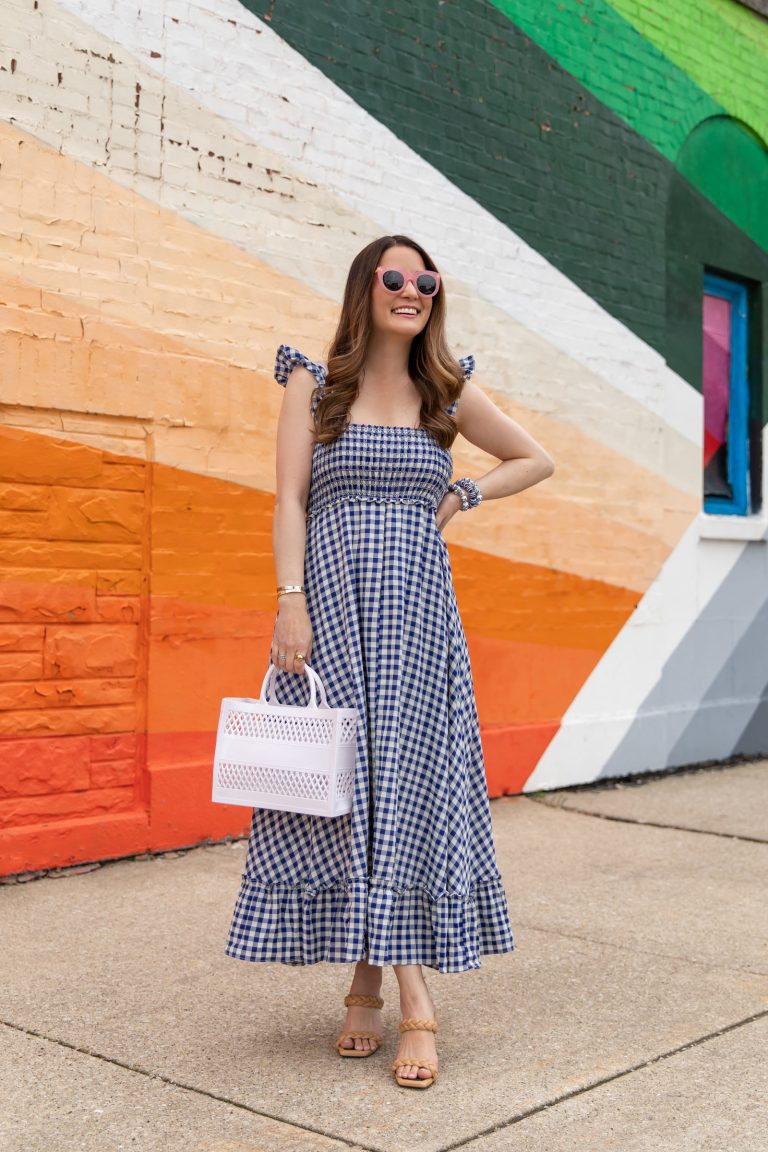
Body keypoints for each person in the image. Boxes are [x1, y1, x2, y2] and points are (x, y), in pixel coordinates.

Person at [225, 234, 554, 1089]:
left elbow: (534, 458)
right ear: (365, 288)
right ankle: (390, 990)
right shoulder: (314, 382)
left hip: (417, 620)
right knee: (344, 792)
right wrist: (287, 601)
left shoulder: (443, 390)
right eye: (395, 277)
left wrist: (460, 494)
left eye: (426, 281)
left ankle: (395, 995)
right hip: (330, 610)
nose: (412, 290)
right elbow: (289, 499)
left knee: (405, 787)